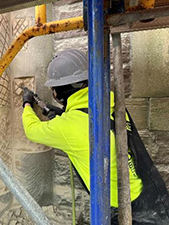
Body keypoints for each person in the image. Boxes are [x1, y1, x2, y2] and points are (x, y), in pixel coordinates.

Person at [21, 49, 169, 224]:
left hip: (124, 207)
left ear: (59, 93)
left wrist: (27, 104)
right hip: (150, 192)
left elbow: (31, 129)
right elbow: (90, 124)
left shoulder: (66, 127)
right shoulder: (111, 102)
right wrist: (63, 114)